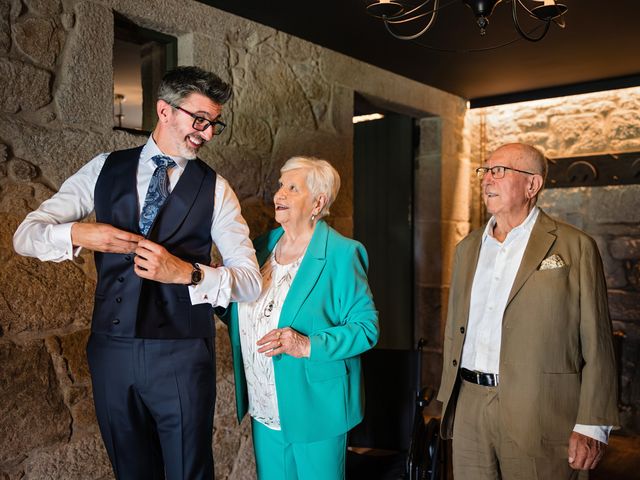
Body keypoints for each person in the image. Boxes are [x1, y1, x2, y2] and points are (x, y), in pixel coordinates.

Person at [13, 66, 261, 480]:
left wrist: (189, 274)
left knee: (188, 471)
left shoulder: (217, 189)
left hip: (182, 356)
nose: (207, 133)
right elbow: (26, 236)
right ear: (165, 111)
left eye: (214, 123)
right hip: (112, 351)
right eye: (199, 120)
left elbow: (250, 282)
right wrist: (80, 232)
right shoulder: (103, 168)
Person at [437, 143, 619, 479]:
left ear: (532, 185)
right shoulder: (467, 249)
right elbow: (457, 329)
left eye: (499, 171)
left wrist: (593, 424)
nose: (486, 179)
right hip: (469, 405)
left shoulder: (575, 247)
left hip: (541, 409)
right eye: (485, 171)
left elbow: (598, 341)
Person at [220, 156, 379, 480]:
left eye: (293, 188)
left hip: (315, 407)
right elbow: (250, 312)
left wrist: (306, 344)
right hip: (265, 406)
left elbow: (366, 328)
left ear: (318, 202)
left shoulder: (341, 254)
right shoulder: (260, 247)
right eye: (281, 185)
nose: (280, 194)